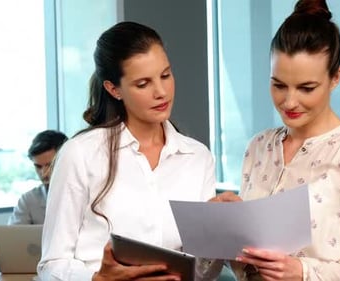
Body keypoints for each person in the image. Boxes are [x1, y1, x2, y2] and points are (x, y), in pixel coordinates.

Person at [37, 21, 223, 281]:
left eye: (166, 75)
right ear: (114, 89)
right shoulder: (80, 154)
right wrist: (98, 279)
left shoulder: (197, 157)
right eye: (143, 83)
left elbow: (203, 271)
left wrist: (221, 230)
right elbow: (51, 265)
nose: (161, 92)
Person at [219, 1, 340, 280]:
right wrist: (225, 230)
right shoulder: (258, 148)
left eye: (306, 88)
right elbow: (244, 266)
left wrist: (303, 271)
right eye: (278, 85)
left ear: (336, 77)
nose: (289, 101)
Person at [8, 130, 68, 225]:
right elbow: (11, 238)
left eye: (50, 165)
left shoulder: (88, 195)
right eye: (38, 167)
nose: (44, 173)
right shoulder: (28, 200)